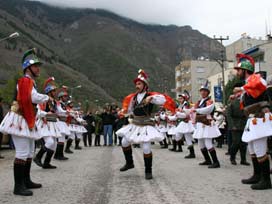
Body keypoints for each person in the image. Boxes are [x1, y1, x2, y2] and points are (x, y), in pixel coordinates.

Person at [0, 48, 50, 196]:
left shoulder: (30, 82)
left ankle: (26, 181)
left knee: (29, 151)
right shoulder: (24, 81)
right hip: (19, 119)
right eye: (35, 66)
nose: (38, 69)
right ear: (28, 69)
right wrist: (46, 98)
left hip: (25, 119)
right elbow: (31, 98)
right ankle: (18, 186)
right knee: (22, 152)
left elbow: (31, 102)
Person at [116, 69, 175, 179]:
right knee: (124, 142)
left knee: (146, 148)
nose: (137, 86)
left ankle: (148, 171)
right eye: (136, 84)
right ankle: (130, 163)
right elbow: (129, 110)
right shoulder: (133, 97)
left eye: (139, 84)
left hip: (146, 123)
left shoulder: (151, 95)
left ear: (145, 85)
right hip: (135, 123)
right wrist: (122, 112)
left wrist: (151, 98)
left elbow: (162, 100)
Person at [232, 53, 271, 190]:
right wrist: (239, 94)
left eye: (238, 70)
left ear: (245, 70)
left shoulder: (257, 79)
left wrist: (242, 89)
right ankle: (257, 175)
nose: (237, 72)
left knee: (260, 149)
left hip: (259, 118)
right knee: (253, 148)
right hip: (253, 118)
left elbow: (261, 84)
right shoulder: (248, 84)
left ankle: (266, 180)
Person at [34, 77, 61, 169]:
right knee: (49, 142)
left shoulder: (53, 102)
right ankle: (37, 157)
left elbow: (58, 112)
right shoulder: (42, 101)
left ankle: (46, 163)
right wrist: (46, 113)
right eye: (53, 91)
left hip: (52, 124)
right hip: (43, 123)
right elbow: (37, 112)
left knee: (53, 144)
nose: (55, 93)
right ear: (49, 92)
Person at [192, 83, 221, 168]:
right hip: (201, 124)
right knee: (201, 144)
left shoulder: (209, 101)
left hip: (207, 124)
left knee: (208, 143)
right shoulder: (198, 102)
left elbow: (208, 110)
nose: (203, 92)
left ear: (208, 92)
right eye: (202, 91)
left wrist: (196, 110)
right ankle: (207, 160)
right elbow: (193, 111)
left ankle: (216, 162)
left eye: (205, 91)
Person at [227, 82, 250, 166]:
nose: (238, 93)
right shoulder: (231, 100)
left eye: (240, 91)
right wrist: (232, 125)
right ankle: (232, 157)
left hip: (244, 123)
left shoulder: (245, 99)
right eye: (236, 91)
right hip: (235, 123)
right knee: (236, 142)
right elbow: (228, 114)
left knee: (244, 143)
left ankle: (243, 160)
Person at [175, 92, 196, 158]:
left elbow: (186, 114)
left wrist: (177, 113)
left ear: (184, 99)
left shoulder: (186, 104)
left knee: (187, 138)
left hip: (186, 122)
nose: (179, 99)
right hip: (183, 122)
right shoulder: (181, 105)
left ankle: (191, 153)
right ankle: (187, 150)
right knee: (180, 135)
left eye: (181, 98)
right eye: (179, 98)